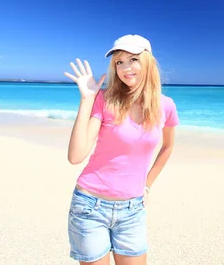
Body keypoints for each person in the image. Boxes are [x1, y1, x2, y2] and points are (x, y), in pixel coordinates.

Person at [63, 34, 179, 265]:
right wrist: (87, 99)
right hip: (89, 206)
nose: (126, 68)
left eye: (133, 59)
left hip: (132, 210)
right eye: (119, 62)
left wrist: (147, 184)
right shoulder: (105, 99)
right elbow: (76, 156)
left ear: (147, 61)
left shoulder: (166, 105)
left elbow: (167, 147)